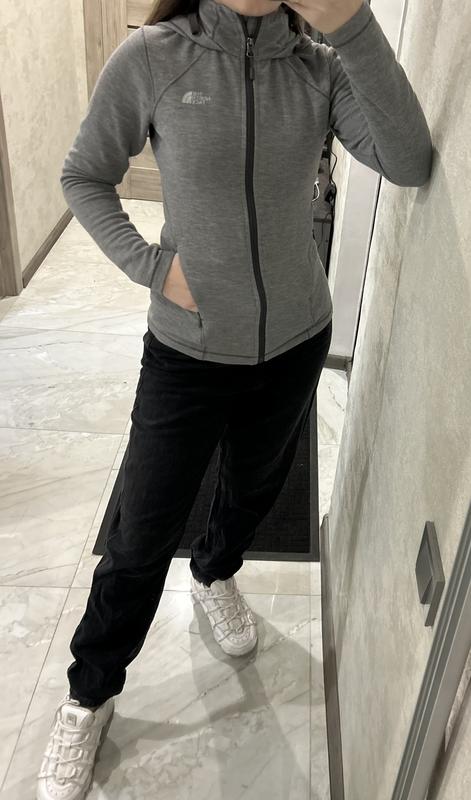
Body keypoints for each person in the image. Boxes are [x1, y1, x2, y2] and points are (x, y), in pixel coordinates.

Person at [36, 0, 432, 797]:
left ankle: (215, 574)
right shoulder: (155, 56)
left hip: (295, 339)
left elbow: (408, 160)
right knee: (142, 529)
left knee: (254, 486)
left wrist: (352, 25)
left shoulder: (319, 68)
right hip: (186, 350)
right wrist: (154, 268)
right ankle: (90, 693)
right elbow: (84, 175)